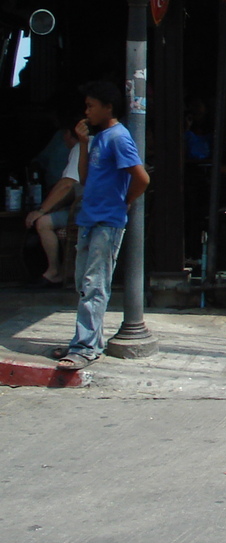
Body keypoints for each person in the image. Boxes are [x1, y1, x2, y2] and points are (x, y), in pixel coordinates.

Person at [46, 82, 149, 370]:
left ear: (108, 107)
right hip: (90, 218)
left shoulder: (118, 137)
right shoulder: (100, 137)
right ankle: (86, 340)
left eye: (92, 106)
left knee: (94, 284)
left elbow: (141, 178)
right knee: (84, 283)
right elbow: (86, 177)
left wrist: (123, 202)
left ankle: (85, 347)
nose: (87, 111)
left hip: (106, 220)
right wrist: (82, 142)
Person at [24, 110, 87, 287]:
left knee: (43, 222)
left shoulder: (79, 148)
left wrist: (41, 211)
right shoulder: (100, 142)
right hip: (87, 206)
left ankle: (54, 271)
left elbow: (66, 184)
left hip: (85, 210)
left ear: (67, 134)